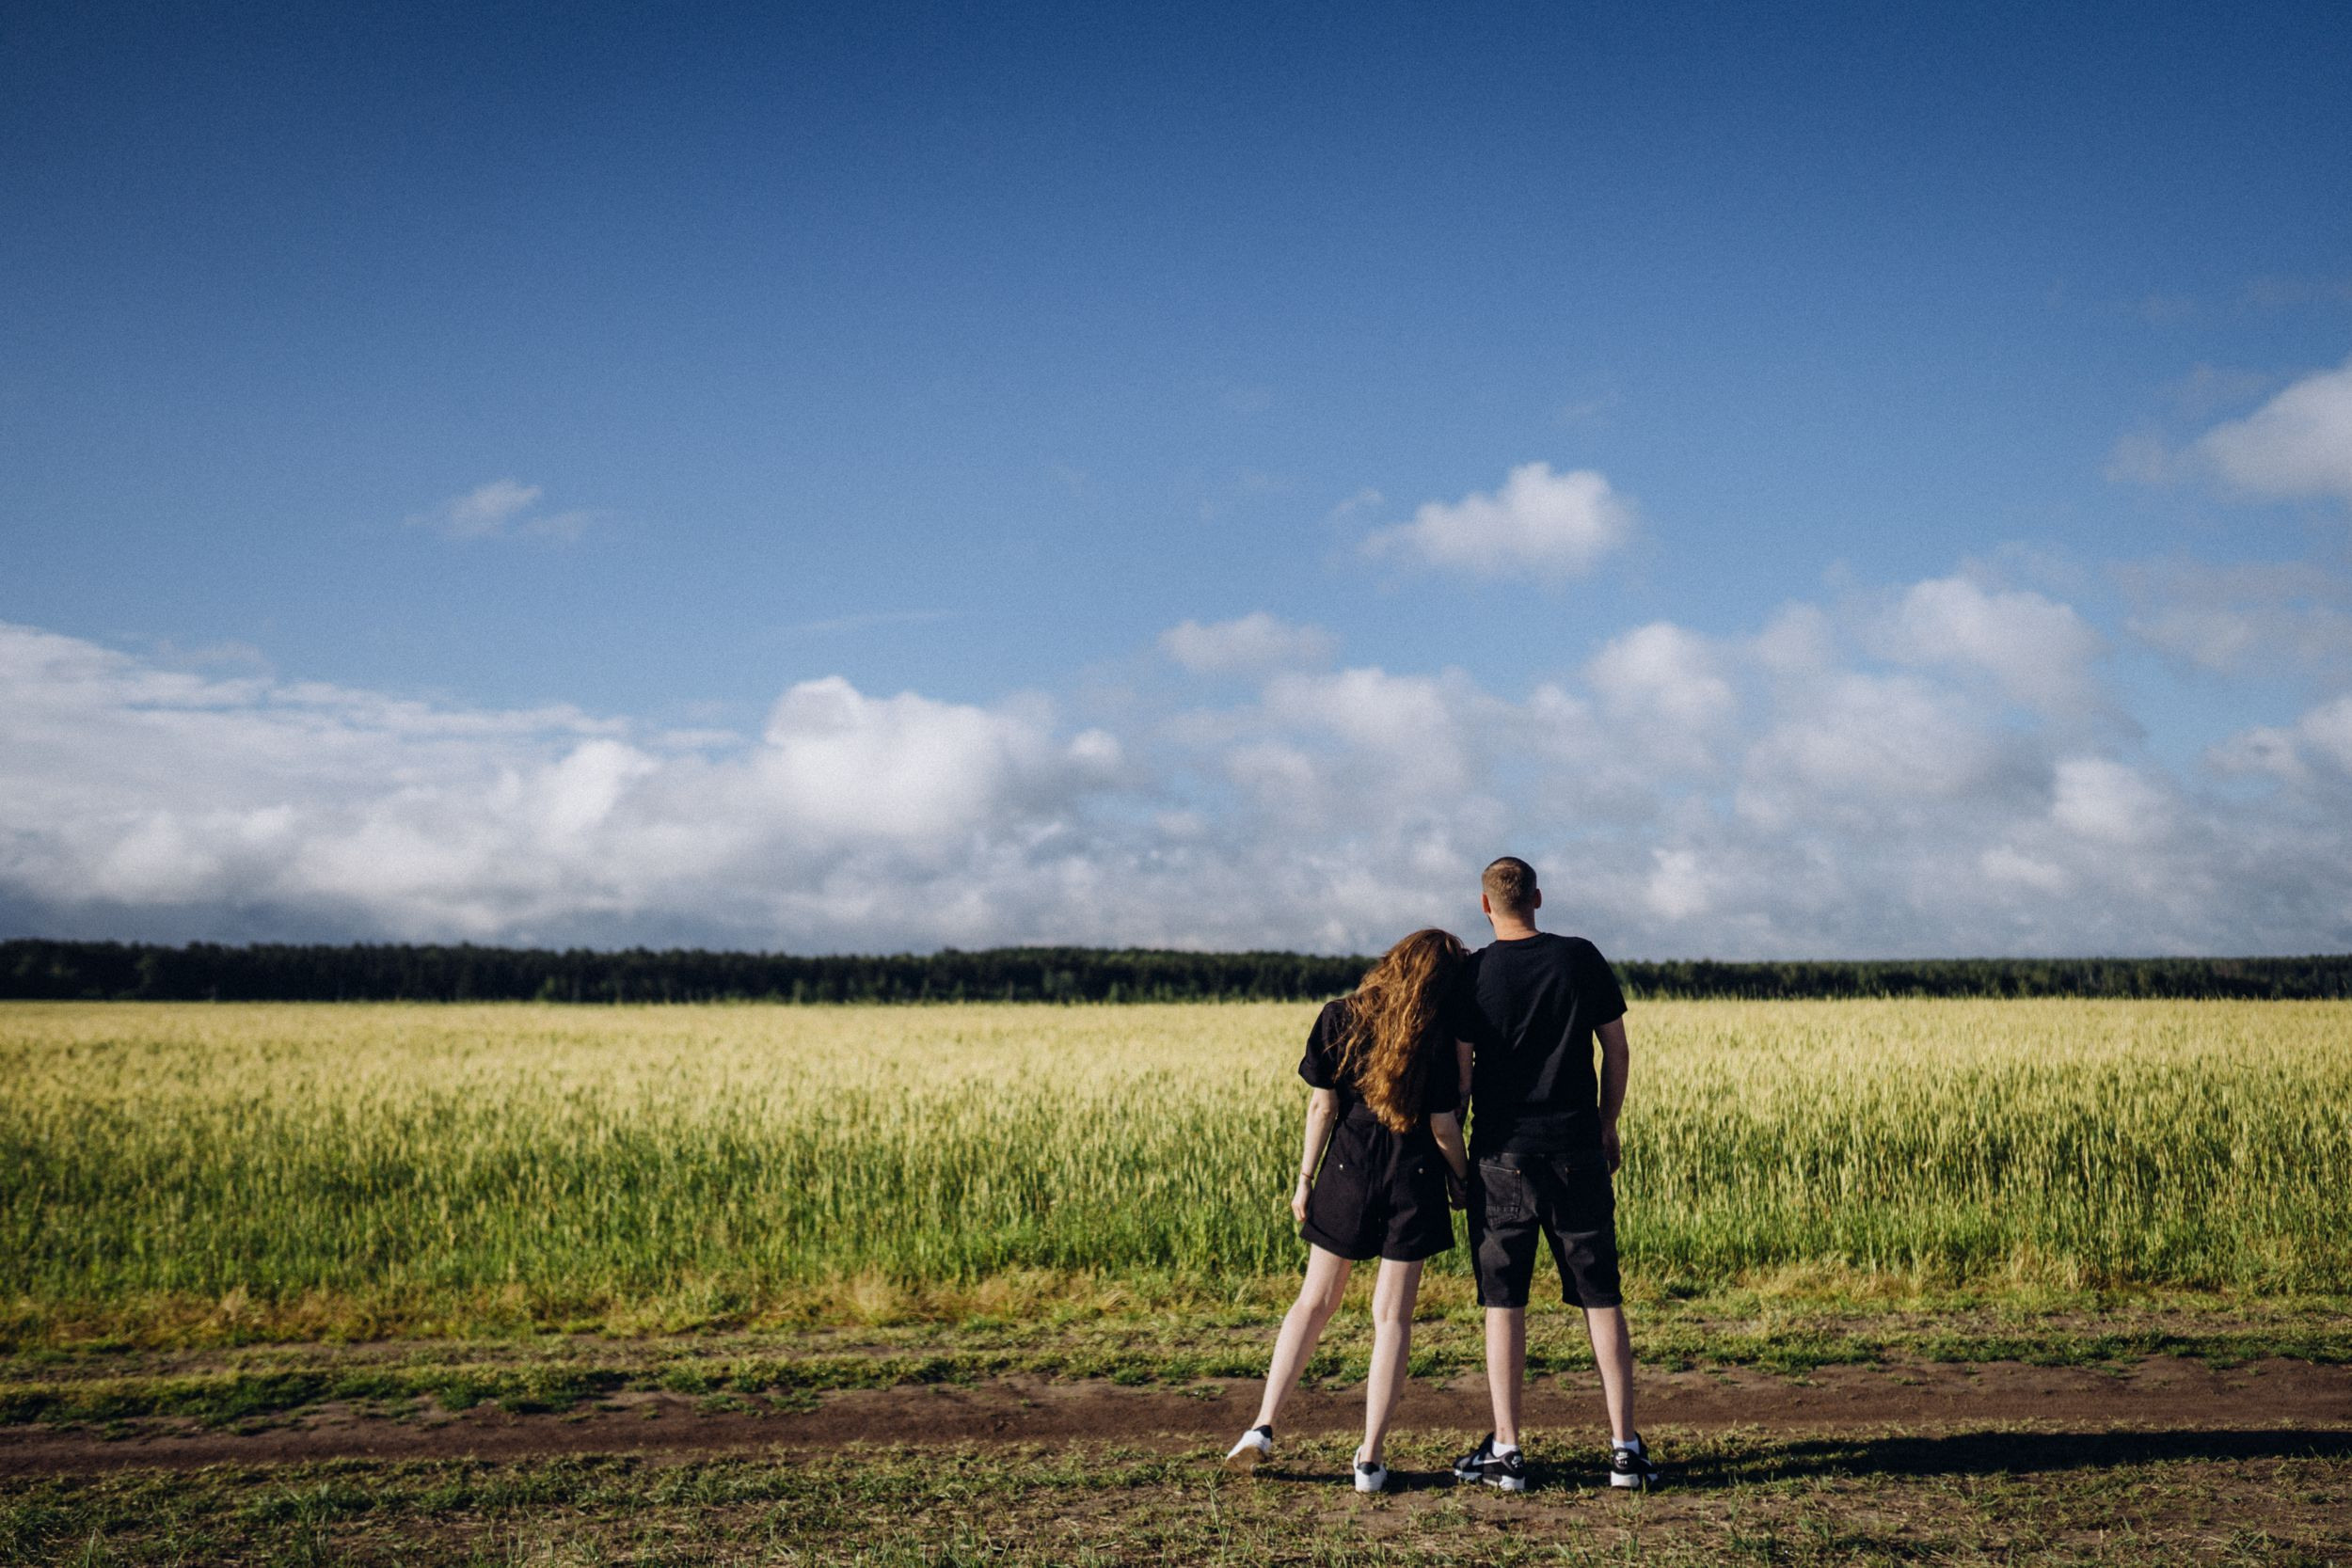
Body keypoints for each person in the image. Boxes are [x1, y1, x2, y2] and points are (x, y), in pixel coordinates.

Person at [1224, 927, 1474, 1493]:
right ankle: (1369, 1459)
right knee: (1391, 1319)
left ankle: (1262, 1427)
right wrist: (1461, 1180)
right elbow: (1443, 1126)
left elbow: (1322, 1104)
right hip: (1413, 1176)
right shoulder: (1435, 1035)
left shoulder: (1339, 1016)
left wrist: (1305, 1179)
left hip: (1348, 1167)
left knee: (1314, 1303)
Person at [1450, 856, 1662, 1492]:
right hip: (1576, 1150)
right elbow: (1616, 1048)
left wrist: (1459, 1162)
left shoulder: (1474, 973)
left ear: (1486, 906)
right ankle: (1624, 1447)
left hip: (1499, 1155)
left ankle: (1508, 1450)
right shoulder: (1580, 957)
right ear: (1537, 898)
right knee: (1601, 1296)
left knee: (1503, 1302)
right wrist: (1606, 1122)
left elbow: (1461, 1079)